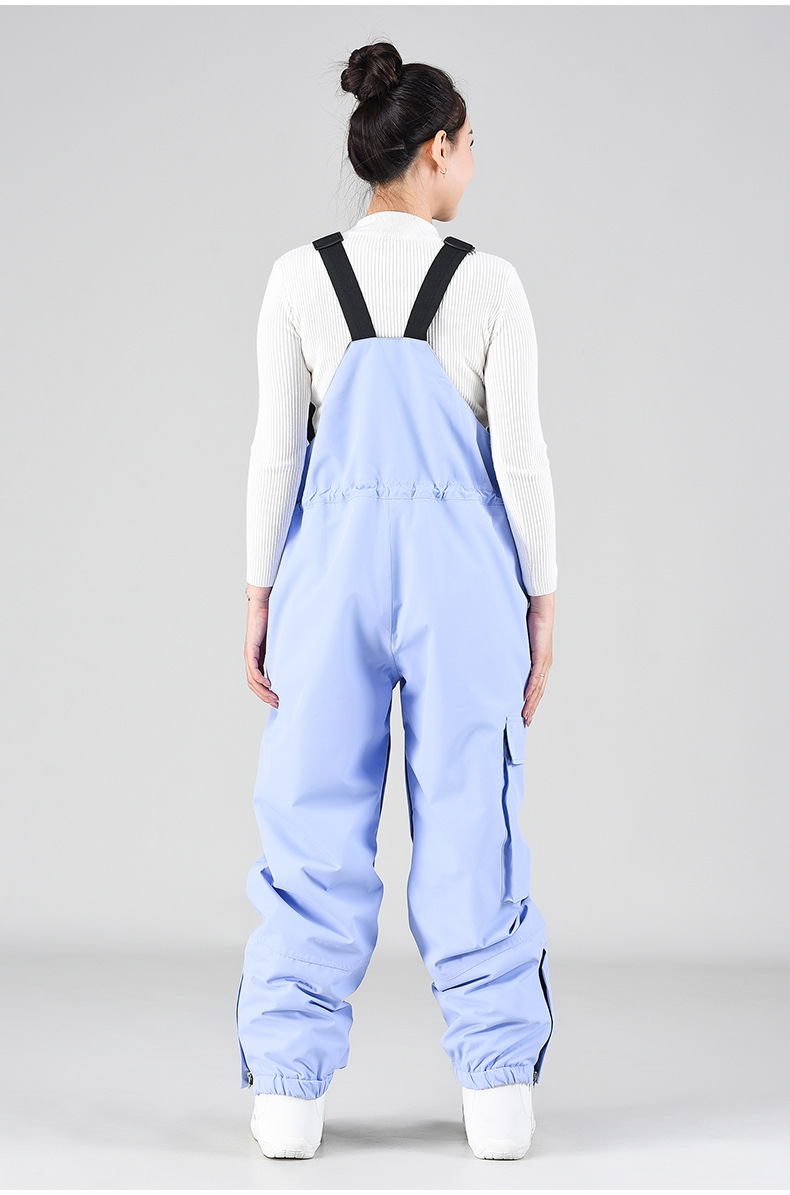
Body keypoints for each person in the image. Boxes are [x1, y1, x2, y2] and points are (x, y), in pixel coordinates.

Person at [237, 41, 557, 1162]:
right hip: (461, 583)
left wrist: (259, 593)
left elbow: (276, 455)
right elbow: (521, 463)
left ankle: (287, 1097)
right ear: (436, 150)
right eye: (468, 144)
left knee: (311, 813)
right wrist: (543, 598)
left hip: (326, 579)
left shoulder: (296, 278)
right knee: (471, 819)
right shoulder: (491, 284)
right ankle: (498, 1095)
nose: (472, 161)